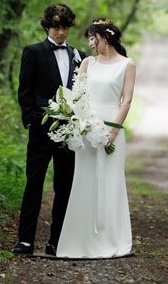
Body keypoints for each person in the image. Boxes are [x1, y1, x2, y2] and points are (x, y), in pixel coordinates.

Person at [56, 18, 136, 259]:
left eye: (93, 38)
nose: (90, 44)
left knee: (111, 181)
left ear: (106, 37)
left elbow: (127, 100)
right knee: (84, 181)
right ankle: (80, 241)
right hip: (87, 130)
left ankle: (111, 238)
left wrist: (114, 131)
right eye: (89, 39)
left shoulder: (127, 64)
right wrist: (79, 122)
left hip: (112, 126)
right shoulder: (87, 63)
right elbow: (78, 96)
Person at [12, 3, 85, 256]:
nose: (61, 32)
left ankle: (57, 241)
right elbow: (25, 92)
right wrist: (32, 120)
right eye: (56, 27)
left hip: (70, 133)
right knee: (34, 183)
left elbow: (83, 93)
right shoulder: (33, 52)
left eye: (65, 27)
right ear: (47, 26)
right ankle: (25, 241)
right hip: (41, 129)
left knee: (64, 187)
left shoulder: (80, 55)